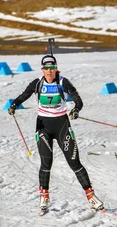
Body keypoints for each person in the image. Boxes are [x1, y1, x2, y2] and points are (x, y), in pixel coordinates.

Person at [8, 54, 104, 213]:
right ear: (42, 70)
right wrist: (14, 105)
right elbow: (23, 96)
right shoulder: (37, 83)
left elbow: (78, 100)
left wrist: (76, 109)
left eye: (52, 68)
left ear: (56, 69)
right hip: (43, 127)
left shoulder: (63, 82)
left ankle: (91, 197)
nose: (49, 71)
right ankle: (44, 197)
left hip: (62, 126)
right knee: (46, 163)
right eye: (46, 68)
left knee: (75, 163)